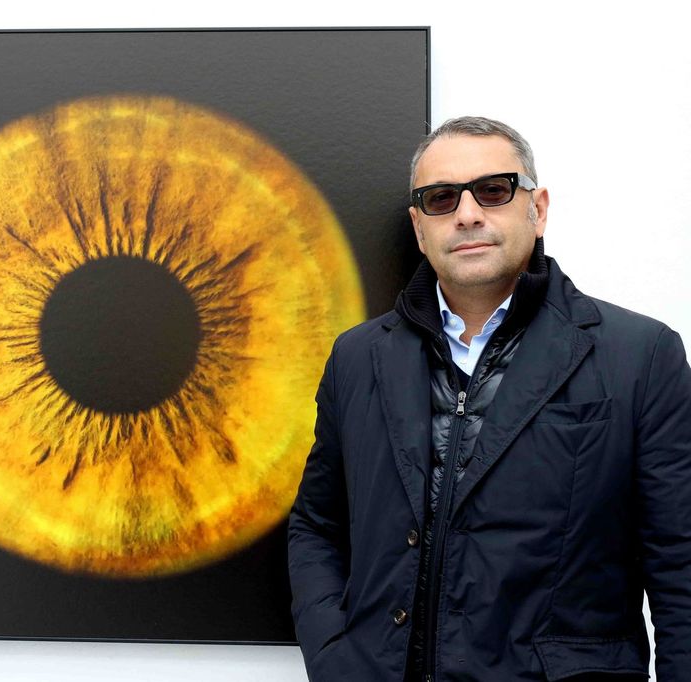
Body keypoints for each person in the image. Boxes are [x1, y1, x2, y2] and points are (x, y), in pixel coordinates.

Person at [287, 116, 691, 681]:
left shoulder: (640, 355)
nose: (468, 214)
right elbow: (317, 524)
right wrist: (334, 655)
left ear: (537, 209)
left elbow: (679, 561)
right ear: (419, 227)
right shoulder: (356, 358)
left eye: (493, 190)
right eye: (441, 199)